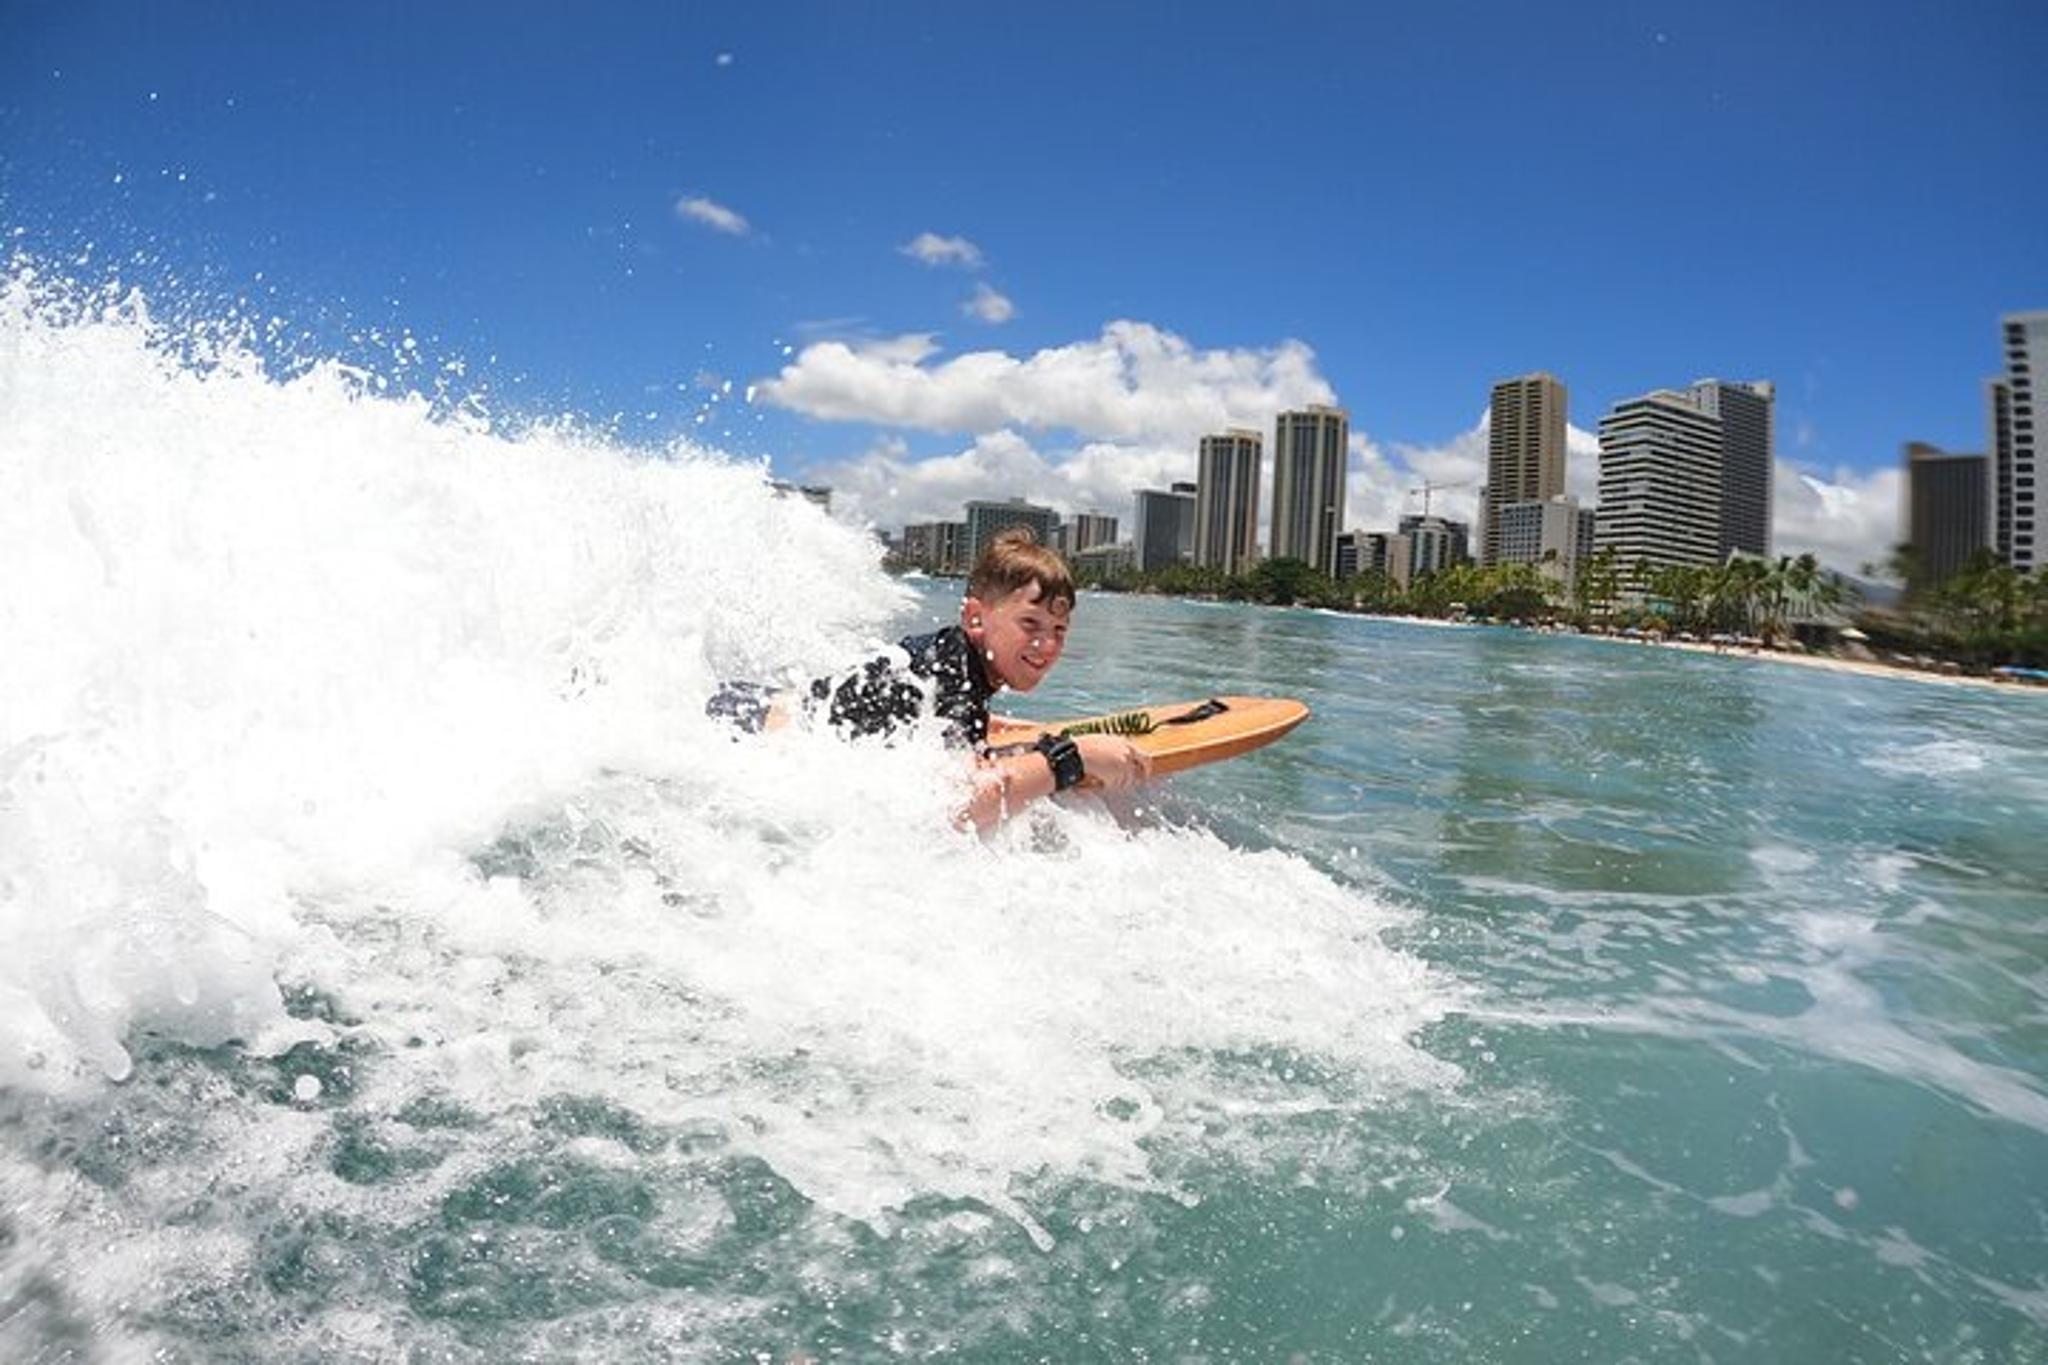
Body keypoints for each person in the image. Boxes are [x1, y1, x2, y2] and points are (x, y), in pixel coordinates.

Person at [707, 528, 1152, 828]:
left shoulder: (956, 665)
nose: (1047, 644)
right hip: (738, 724)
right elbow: (957, 807)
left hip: (757, 705)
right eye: (1030, 624)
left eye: (1059, 630)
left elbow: (932, 731)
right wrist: (1073, 760)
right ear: (975, 618)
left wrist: (1022, 738)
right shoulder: (950, 671)